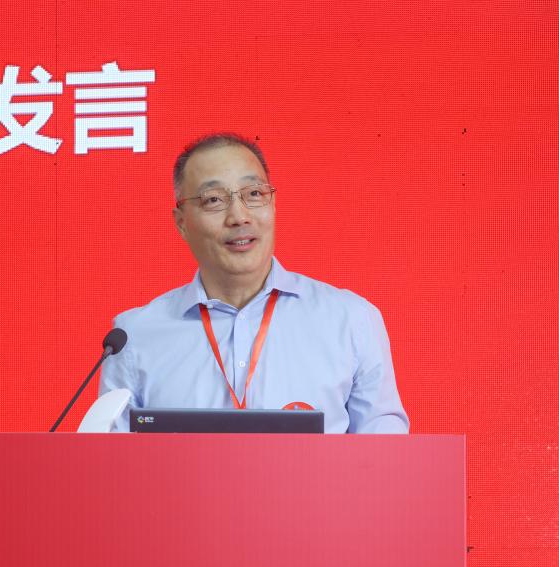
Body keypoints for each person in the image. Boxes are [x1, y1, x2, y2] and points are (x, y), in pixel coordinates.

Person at [99, 133, 409, 433]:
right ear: (182, 223)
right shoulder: (134, 336)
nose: (239, 216)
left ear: (273, 205)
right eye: (213, 200)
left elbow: (385, 454)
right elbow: (111, 460)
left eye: (254, 194)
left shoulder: (350, 320)